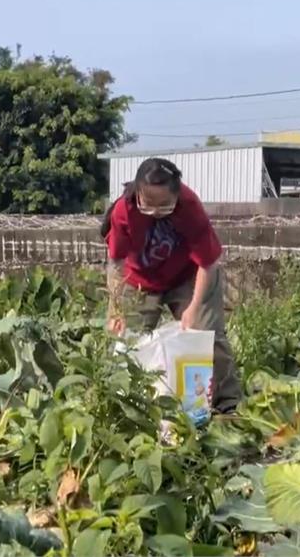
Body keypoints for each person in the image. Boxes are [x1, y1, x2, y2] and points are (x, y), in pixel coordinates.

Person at [101, 157, 242, 415]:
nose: (155, 211)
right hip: (138, 280)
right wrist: (115, 306)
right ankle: (129, 408)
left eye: (164, 205)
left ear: (177, 195)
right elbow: (116, 261)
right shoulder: (124, 209)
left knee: (207, 336)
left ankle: (226, 405)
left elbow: (208, 264)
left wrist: (194, 308)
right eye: (149, 205)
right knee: (127, 341)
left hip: (186, 276)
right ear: (138, 194)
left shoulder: (190, 206)